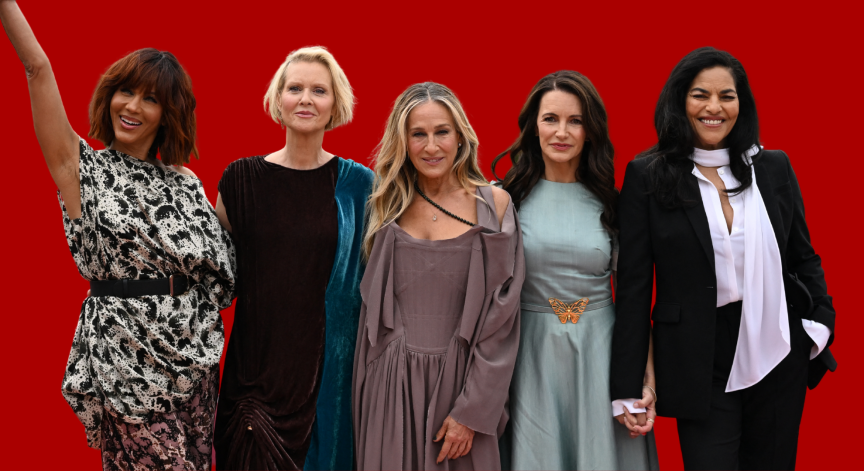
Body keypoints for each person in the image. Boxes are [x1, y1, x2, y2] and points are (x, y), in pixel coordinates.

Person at [1, 1, 236, 469]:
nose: (131, 107)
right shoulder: (81, 168)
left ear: (168, 113)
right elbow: (37, 68)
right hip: (125, 357)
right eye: (126, 91)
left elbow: (222, 258)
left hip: (194, 361)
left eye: (150, 99)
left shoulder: (185, 182)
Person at [611, 46, 836, 470]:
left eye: (726, 96)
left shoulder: (773, 167)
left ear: (741, 104)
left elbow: (803, 256)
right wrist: (627, 384)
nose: (713, 107)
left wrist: (820, 324)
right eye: (700, 95)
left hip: (778, 346)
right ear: (680, 101)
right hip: (699, 357)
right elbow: (635, 285)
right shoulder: (648, 175)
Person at [213, 46, 373, 470]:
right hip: (253, 381)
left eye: (319, 90)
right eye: (295, 88)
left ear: (335, 104)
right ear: (277, 99)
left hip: (328, 382)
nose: (306, 99)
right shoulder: (240, 181)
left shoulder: (359, 186)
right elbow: (208, 275)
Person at [492, 70, 659, 470]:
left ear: (590, 131)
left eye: (576, 121)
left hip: (603, 356)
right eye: (551, 119)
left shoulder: (615, 204)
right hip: (529, 358)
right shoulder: (502, 201)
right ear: (533, 127)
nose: (562, 132)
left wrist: (645, 377)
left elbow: (634, 298)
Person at [353, 82, 524, 470]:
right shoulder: (384, 205)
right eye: (418, 134)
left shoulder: (494, 206)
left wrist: (472, 411)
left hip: (463, 384)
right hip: (390, 388)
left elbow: (502, 322)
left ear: (460, 136)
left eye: (441, 132)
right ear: (403, 141)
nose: (431, 147)